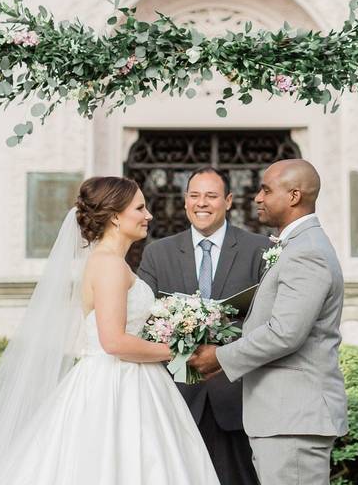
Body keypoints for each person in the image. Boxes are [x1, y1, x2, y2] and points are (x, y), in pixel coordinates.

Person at [0, 176, 220, 485]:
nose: (149, 216)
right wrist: (181, 352)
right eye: (140, 208)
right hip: (116, 385)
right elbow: (114, 342)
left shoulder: (112, 262)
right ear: (116, 216)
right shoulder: (108, 265)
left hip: (131, 380)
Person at [189, 159, 348, 485]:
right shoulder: (298, 245)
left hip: (293, 419)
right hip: (283, 417)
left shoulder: (307, 251)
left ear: (293, 196)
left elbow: (285, 333)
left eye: (265, 190)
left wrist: (217, 357)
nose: (257, 197)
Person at [138, 167, 266, 485]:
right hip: (176, 393)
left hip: (236, 393)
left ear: (229, 201)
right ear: (184, 202)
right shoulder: (158, 253)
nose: (202, 203)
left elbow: (269, 320)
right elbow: (142, 318)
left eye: (211, 196)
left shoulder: (260, 250)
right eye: (194, 196)